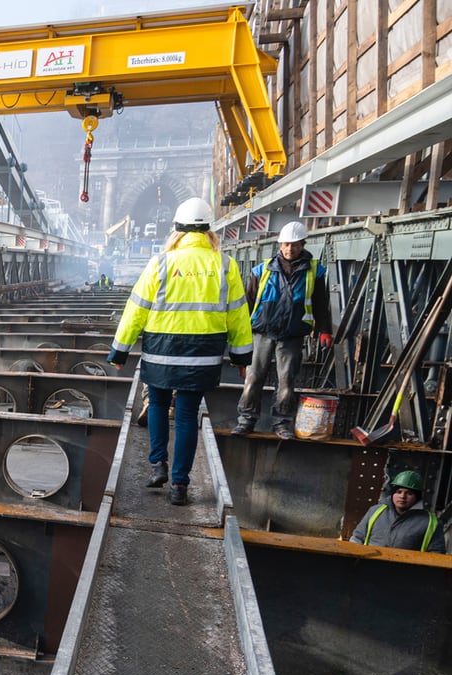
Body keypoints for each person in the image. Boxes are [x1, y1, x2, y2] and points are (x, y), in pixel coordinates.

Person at [108, 197, 253, 506]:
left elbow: (136, 309)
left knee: (158, 404)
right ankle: (179, 485)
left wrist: (120, 351)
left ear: (176, 229)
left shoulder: (161, 262)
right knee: (187, 416)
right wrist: (242, 357)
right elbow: (238, 314)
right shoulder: (224, 265)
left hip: (161, 350)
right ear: (208, 231)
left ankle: (158, 463)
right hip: (203, 355)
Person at [233, 221, 332, 440]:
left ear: (303, 245)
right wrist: (241, 336)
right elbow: (248, 303)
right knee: (253, 378)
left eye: (295, 245)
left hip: (292, 335)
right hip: (262, 332)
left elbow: (320, 303)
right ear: (280, 245)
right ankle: (246, 421)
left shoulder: (314, 271)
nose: (290, 249)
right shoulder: (262, 270)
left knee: (286, 382)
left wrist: (325, 329)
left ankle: (281, 424)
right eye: (286, 244)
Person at [353, 470, 446, 553]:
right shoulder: (375, 511)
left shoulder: (430, 522)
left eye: (409, 493)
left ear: (417, 497)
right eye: (399, 491)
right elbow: (357, 538)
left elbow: (436, 554)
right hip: (368, 568)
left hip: (404, 571)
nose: (402, 496)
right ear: (393, 493)